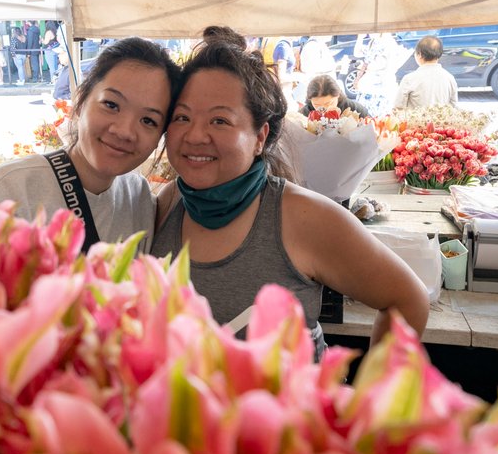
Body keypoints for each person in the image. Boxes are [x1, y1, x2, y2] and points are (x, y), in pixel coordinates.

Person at [151, 26, 429, 352]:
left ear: (259, 137)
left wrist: (373, 396)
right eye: (182, 117)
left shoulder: (305, 217)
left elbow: (408, 300)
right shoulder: (170, 202)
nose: (195, 136)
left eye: (219, 121)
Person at [0, 37, 182, 250]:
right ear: (80, 101)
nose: (124, 131)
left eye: (148, 120)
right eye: (111, 104)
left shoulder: (138, 199)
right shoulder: (5, 194)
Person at [392, 35, 457, 111]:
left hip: (415, 122)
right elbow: (453, 105)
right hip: (441, 122)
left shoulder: (409, 79)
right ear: (439, 55)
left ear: (419, 55)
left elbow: (398, 108)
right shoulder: (449, 78)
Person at [354, 32, 404, 117]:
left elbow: (383, 64)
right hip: (368, 87)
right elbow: (357, 53)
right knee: (366, 119)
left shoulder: (388, 43)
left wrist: (367, 66)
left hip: (381, 89)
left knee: (379, 119)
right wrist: (360, 38)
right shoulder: (373, 41)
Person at [303, 74, 370, 116]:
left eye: (328, 103)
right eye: (317, 105)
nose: (323, 109)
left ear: (338, 95)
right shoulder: (304, 114)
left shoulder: (354, 109)